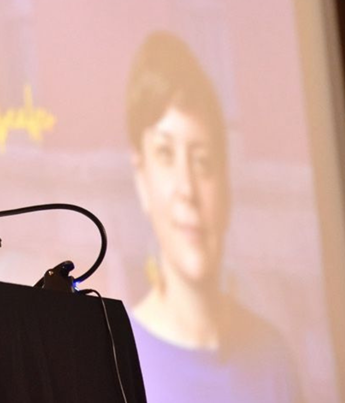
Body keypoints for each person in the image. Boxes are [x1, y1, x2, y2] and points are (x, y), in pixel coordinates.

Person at [124, 32, 299, 402]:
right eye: (166, 156)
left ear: (226, 185)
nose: (187, 188)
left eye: (202, 161)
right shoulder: (119, 360)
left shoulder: (273, 357)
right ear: (141, 179)